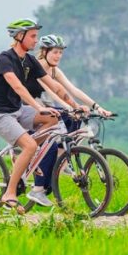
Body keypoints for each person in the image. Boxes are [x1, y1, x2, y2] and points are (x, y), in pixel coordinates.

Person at [0, 18, 82, 213]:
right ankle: (9, 194)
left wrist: (75, 106)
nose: (36, 41)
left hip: (17, 111)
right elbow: (18, 87)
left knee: (55, 119)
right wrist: (38, 107)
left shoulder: (29, 61)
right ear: (20, 37)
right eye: (33, 36)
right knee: (29, 144)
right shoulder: (5, 58)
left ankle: (30, 155)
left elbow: (54, 86)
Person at [31, 34, 113, 192]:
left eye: (61, 52)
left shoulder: (55, 71)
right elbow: (52, 92)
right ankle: (59, 160)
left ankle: (62, 158)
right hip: (32, 107)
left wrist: (97, 107)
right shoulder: (38, 67)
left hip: (48, 107)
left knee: (75, 119)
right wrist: (68, 108)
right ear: (45, 51)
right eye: (55, 52)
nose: (58, 56)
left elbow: (73, 90)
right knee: (68, 114)